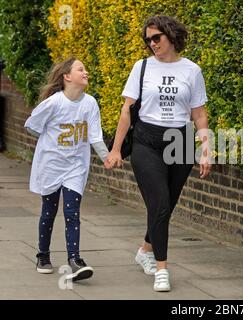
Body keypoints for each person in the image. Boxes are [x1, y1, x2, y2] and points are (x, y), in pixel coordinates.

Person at [106, 15, 212, 292]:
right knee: (160, 203)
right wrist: (116, 149)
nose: (152, 43)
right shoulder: (141, 68)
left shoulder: (192, 70)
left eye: (157, 38)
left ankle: (144, 249)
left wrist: (205, 149)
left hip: (180, 143)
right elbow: (126, 111)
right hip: (146, 142)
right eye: (148, 39)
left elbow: (199, 114)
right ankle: (161, 268)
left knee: (165, 206)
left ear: (171, 36)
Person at [24, 57, 111, 282]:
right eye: (81, 69)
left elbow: (95, 136)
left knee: (72, 213)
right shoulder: (54, 103)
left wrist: (106, 158)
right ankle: (43, 255)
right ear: (67, 76)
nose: (86, 72)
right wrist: (49, 142)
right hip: (51, 165)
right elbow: (32, 125)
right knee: (49, 211)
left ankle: (75, 260)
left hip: (75, 167)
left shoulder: (90, 103)